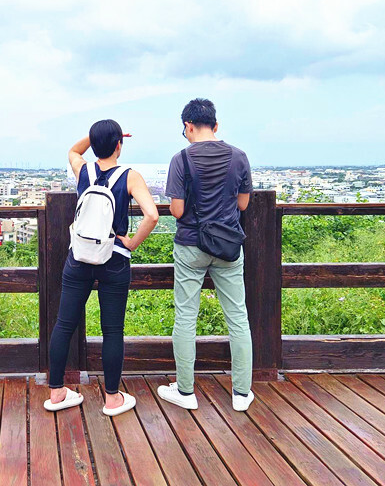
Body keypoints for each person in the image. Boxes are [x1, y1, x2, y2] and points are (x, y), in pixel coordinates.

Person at [45, 119, 159, 416]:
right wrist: (131, 243)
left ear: (95, 145)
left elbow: (73, 149)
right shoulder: (130, 176)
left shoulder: (83, 169)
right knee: (112, 330)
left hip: (79, 257)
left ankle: (57, 392)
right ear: (120, 144)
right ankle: (112, 399)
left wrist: (96, 138)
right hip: (114, 259)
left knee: (64, 324)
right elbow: (152, 215)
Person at [158, 98, 254, 412]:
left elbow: (178, 209)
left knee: (186, 318)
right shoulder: (239, 157)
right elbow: (242, 205)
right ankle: (241, 393)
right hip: (227, 247)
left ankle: (185, 391)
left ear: (188, 126)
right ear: (215, 125)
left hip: (190, 245)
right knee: (238, 317)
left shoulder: (181, 159)